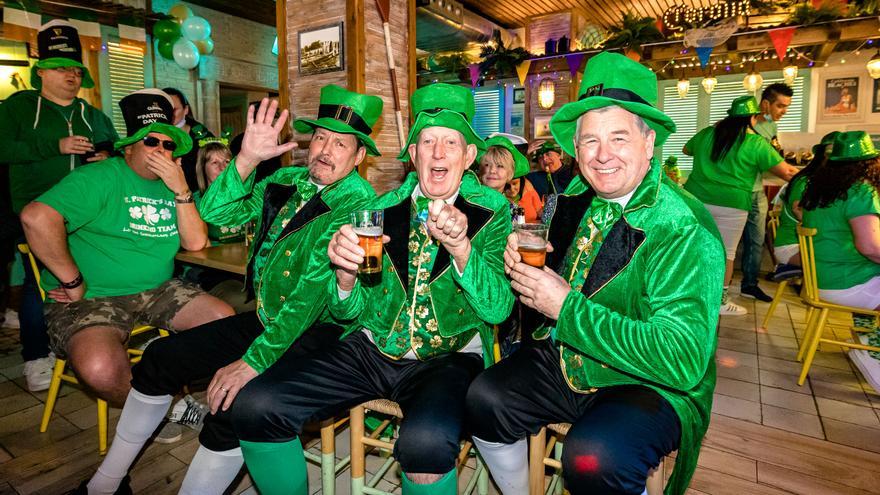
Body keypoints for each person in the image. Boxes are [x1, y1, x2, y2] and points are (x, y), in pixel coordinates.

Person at [76, 85, 381, 495]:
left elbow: (311, 294)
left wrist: (251, 362)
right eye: (321, 137)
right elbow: (215, 213)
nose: (326, 149)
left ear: (359, 156)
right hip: (267, 318)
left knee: (232, 405)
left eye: (341, 143)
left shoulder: (362, 204)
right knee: (159, 357)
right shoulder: (287, 179)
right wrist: (247, 159)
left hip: (322, 332)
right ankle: (107, 483)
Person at [228, 82, 513, 495]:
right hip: (371, 348)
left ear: (468, 157)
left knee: (425, 446)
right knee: (255, 406)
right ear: (412, 155)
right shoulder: (378, 211)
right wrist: (343, 279)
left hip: (446, 356)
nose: (437, 153)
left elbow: (499, 310)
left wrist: (462, 250)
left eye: (451, 143)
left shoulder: (492, 210)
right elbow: (350, 313)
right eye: (426, 142)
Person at [465, 51, 726, 495]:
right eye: (589, 141)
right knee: (480, 400)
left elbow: (681, 361)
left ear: (649, 143)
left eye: (619, 138)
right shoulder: (578, 192)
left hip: (650, 382)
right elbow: (568, 269)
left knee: (590, 457)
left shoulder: (683, 227)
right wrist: (527, 265)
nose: (602, 156)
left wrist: (564, 306)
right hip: (567, 356)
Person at [19, 88, 235, 408]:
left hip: (158, 289)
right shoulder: (100, 177)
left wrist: (180, 189)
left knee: (223, 322)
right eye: (151, 141)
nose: (160, 150)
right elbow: (36, 218)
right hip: (93, 296)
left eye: (168, 144)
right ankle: (165, 408)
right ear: (129, 147)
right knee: (100, 368)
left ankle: (162, 376)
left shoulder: (174, 185)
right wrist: (72, 281)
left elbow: (196, 244)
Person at [0, 20, 118, 392]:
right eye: (62, 68)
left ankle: (92, 340)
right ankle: (36, 356)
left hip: (88, 217)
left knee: (88, 280)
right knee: (42, 285)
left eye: (75, 69)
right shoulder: (19, 108)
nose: (71, 74)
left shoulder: (94, 115)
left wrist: (106, 159)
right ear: (42, 72)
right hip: (37, 214)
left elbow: (115, 153)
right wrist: (55, 147)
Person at [683, 96, 797, 316]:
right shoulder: (755, 143)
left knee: (692, 248)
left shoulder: (708, 134)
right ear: (752, 118)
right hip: (732, 205)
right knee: (726, 253)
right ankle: (719, 302)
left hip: (696, 200)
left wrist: (713, 130)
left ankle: (685, 295)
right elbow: (787, 172)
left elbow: (687, 150)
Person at [800, 130, 880, 394]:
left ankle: (865, 337)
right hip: (845, 283)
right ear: (869, 163)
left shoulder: (819, 188)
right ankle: (872, 351)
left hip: (819, 279)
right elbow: (869, 246)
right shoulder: (861, 191)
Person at [740, 82, 794, 302]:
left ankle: (750, 285)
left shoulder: (771, 127)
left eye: (786, 107)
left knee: (757, 239)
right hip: (736, 191)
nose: (784, 111)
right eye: (780, 106)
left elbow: (771, 158)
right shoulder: (742, 125)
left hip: (757, 190)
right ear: (765, 104)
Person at [772, 131, 837, 281]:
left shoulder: (823, 180)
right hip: (792, 245)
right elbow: (798, 210)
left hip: (808, 243)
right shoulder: (806, 181)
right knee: (846, 259)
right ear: (822, 156)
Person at [478, 135, 543, 223]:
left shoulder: (513, 209)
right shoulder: (468, 200)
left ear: (510, 173)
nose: (492, 170)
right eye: (487, 165)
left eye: (500, 166)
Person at [164, 87, 214, 193]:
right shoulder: (153, 136)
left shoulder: (203, 137)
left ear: (185, 110)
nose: (169, 114)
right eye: (165, 109)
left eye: (174, 110)